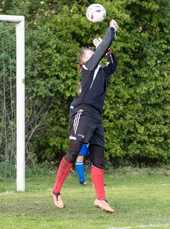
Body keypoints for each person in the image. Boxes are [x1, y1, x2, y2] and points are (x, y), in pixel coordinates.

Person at [51, 19, 119, 213]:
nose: (93, 51)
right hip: (83, 112)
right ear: (84, 62)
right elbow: (103, 45)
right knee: (73, 152)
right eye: (90, 52)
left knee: (98, 157)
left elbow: (113, 66)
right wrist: (111, 29)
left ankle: (100, 199)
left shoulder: (101, 72)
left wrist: (109, 52)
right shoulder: (88, 69)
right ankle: (56, 191)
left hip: (96, 117)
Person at [70, 83, 90, 186]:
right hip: (81, 134)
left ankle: (98, 181)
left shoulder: (92, 102)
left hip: (92, 133)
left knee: (97, 157)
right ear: (78, 91)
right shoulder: (75, 103)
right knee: (80, 156)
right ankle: (82, 181)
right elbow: (73, 120)